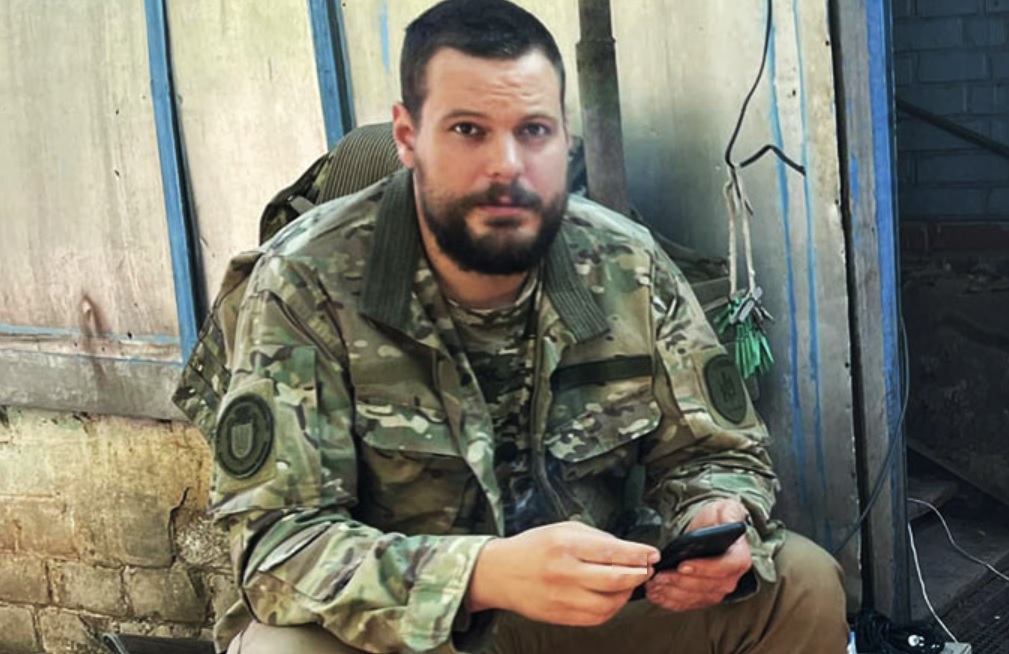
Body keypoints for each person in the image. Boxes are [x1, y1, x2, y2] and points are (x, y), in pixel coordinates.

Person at [179, 0, 849, 651]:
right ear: (408, 137)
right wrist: (481, 575)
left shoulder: (625, 265)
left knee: (798, 585)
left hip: (581, 609)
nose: (507, 165)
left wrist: (716, 515)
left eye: (533, 131)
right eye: (468, 130)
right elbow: (279, 544)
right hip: (405, 627)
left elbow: (715, 452)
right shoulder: (307, 279)